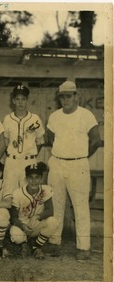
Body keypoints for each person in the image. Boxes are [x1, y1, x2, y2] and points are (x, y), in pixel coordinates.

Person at [46, 80, 103, 261]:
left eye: (68, 96)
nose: (65, 100)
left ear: (76, 96)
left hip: (78, 164)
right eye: (62, 97)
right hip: (57, 163)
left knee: (80, 206)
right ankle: (55, 243)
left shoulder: (86, 115)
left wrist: (81, 156)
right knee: (56, 205)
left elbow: (96, 140)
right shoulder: (54, 116)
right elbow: (50, 137)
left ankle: (83, 247)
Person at [10, 162, 58, 259]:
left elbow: (50, 211)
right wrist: (22, 226)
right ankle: (23, 244)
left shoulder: (46, 190)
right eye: (31, 177)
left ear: (41, 179)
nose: (34, 181)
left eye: (37, 177)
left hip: (36, 224)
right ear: (26, 179)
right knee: (15, 235)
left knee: (53, 222)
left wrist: (37, 216)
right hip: (22, 225)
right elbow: (13, 217)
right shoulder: (17, 193)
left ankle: (36, 247)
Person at [2, 84, 45, 194]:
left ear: (27, 101)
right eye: (18, 99)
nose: (20, 102)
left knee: (29, 194)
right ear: (13, 101)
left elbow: (40, 141)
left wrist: (30, 154)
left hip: (29, 161)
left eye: (23, 99)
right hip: (12, 161)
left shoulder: (35, 119)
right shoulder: (7, 119)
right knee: (9, 193)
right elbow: (6, 141)